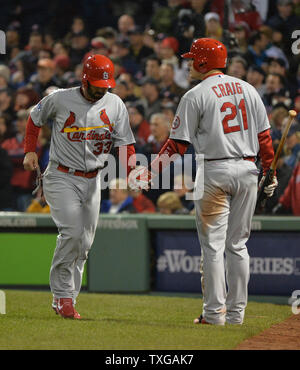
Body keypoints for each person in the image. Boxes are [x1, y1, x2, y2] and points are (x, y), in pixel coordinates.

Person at [130, 38, 278, 325]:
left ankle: (213, 314)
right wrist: (270, 172)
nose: (187, 64)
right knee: (238, 246)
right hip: (248, 170)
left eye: (191, 59)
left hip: (214, 171)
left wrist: (150, 172)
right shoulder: (249, 89)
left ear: (202, 62)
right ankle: (236, 316)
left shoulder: (196, 95)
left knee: (213, 247)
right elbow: (265, 140)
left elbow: (176, 145)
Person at [23, 54, 136, 319]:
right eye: (96, 84)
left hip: (94, 178)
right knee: (72, 233)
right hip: (61, 175)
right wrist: (30, 151)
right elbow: (34, 119)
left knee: (84, 243)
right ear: (84, 79)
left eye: (104, 85)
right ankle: (63, 296)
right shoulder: (60, 98)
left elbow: (125, 144)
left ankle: (67, 298)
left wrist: (132, 170)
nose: (100, 89)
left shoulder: (115, 103)